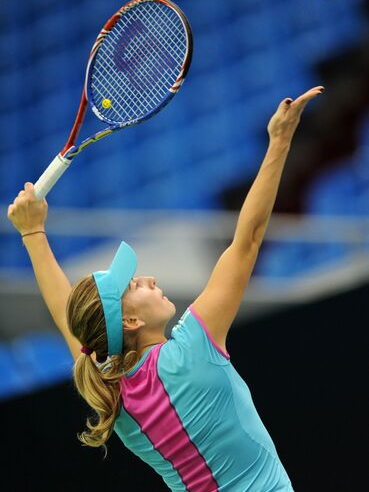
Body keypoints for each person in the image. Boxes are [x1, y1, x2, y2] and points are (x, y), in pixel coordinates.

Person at [7, 85, 324, 491]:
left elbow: (69, 320)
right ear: (132, 319)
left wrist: (33, 232)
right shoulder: (193, 346)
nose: (148, 279)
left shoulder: (112, 394)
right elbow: (248, 239)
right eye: (133, 285)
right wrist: (280, 140)